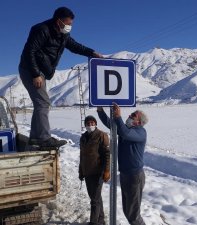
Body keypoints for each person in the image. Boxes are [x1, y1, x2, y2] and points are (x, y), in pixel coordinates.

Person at [19, 7, 103, 148]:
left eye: (71, 24)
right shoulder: (42, 30)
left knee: (40, 103)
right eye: (67, 23)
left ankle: (35, 138)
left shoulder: (63, 35)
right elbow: (29, 51)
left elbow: (76, 46)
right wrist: (35, 74)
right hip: (30, 69)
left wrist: (92, 52)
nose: (69, 26)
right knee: (43, 102)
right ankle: (44, 139)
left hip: (41, 71)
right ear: (59, 21)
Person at [97, 103, 148, 225]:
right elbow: (111, 125)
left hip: (134, 176)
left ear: (139, 122)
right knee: (127, 211)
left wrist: (118, 116)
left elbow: (125, 133)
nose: (130, 115)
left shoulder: (140, 132)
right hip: (125, 175)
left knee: (133, 215)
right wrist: (100, 111)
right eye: (131, 114)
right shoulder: (127, 129)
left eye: (133, 115)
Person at [79, 115, 110, 225]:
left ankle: (94, 222)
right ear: (85, 125)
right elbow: (82, 156)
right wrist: (81, 171)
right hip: (88, 172)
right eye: (88, 123)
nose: (90, 125)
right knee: (95, 197)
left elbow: (107, 154)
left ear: (95, 124)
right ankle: (101, 221)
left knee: (94, 200)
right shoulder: (83, 137)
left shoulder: (101, 135)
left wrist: (106, 171)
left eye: (92, 123)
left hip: (98, 172)